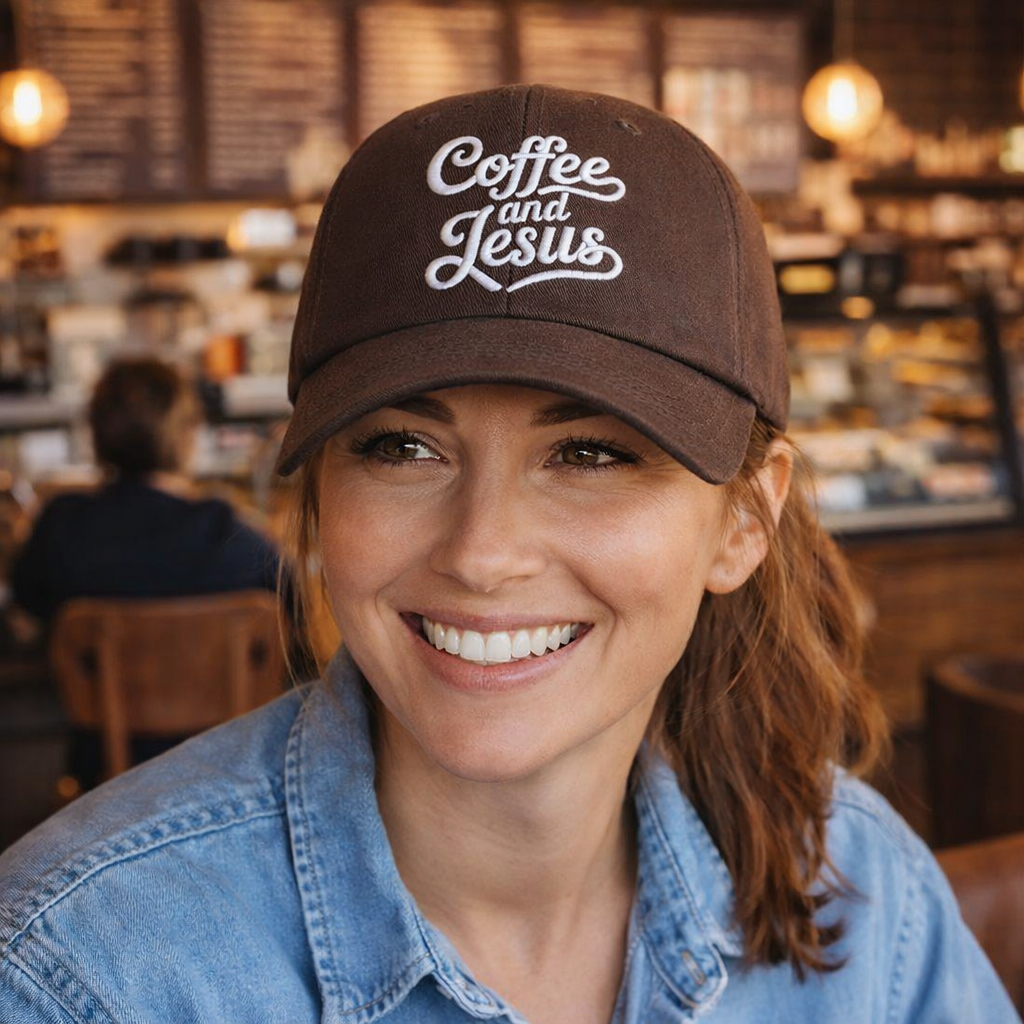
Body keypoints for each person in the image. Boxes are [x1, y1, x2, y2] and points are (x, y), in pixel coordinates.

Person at [0, 85, 1018, 1024]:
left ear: (745, 518)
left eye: (590, 453)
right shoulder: (83, 971)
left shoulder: (865, 897)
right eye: (402, 447)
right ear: (313, 496)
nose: (483, 553)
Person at [9, 356, 285, 786]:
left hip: (101, 780)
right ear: (187, 434)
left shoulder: (62, 525)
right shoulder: (229, 533)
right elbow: (297, 619)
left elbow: (24, 615)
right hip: (227, 772)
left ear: (97, 434)